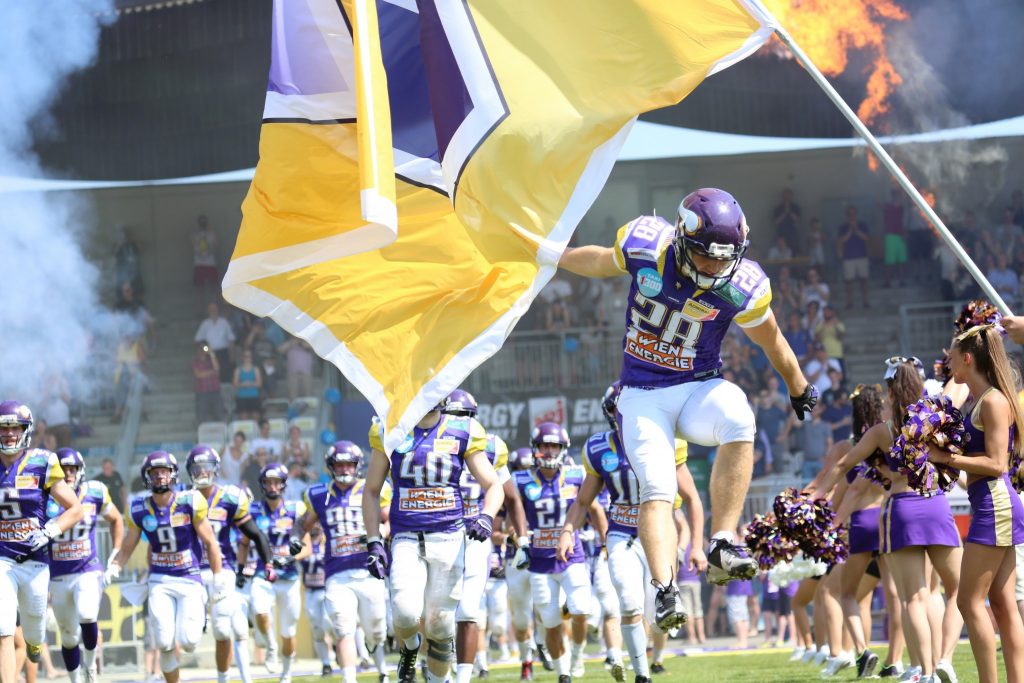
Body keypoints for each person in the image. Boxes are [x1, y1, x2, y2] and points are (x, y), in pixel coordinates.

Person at [558, 187, 816, 630]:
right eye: (707, 257)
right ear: (681, 237)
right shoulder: (646, 246)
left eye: (724, 258)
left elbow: (772, 339)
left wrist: (798, 386)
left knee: (739, 416)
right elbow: (600, 260)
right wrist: (555, 257)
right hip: (641, 392)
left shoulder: (742, 285)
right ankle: (664, 590)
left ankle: (721, 540)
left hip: (697, 386)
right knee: (658, 488)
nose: (716, 267)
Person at [806, 360, 963, 682]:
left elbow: (844, 464)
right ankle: (945, 659)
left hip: (902, 508)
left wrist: (817, 494)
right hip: (935, 504)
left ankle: (927, 672)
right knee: (956, 591)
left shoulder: (883, 430)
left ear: (890, 391)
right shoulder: (935, 419)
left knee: (913, 597)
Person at [558, 382, 705, 683]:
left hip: (660, 536)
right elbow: (583, 501)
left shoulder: (666, 440)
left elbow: (692, 499)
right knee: (628, 601)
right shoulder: (599, 448)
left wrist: (697, 546)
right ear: (610, 412)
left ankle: (656, 649)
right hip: (621, 534)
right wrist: (567, 530)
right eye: (618, 408)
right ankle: (642, 675)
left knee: (658, 614)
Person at [362, 404, 505, 683]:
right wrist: (373, 541)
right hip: (406, 536)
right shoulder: (389, 428)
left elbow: (494, 484)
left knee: (440, 626)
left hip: (449, 536)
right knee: (403, 614)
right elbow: (371, 490)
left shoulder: (463, 430)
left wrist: (487, 516)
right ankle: (411, 647)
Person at [929, 324, 1024, 683]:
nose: (948, 363)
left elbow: (997, 464)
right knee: (1000, 604)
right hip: (989, 502)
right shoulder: (977, 400)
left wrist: (945, 459)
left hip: (996, 506)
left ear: (967, 359)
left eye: (952, 357)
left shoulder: (995, 400)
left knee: (969, 602)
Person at [105, 451, 227, 683]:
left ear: (173, 474)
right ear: (146, 477)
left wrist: (218, 576)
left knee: (189, 642)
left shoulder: (189, 501)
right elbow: (128, 546)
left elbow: (210, 542)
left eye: (164, 471)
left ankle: (201, 612)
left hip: (190, 578)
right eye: (155, 472)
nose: (160, 476)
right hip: (160, 580)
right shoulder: (139, 507)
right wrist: (114, 567)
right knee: (164, 642)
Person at [441, 390, 530, 683]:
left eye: (464, 416)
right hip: (439, 532)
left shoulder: (489, 446)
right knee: (437, 612)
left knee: (469, 608)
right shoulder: (432, 442)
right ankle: (438, 668)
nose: (458, 421)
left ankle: (464, 675)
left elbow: (512, 499)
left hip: (475, 534)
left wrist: (523, 538)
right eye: (454, 415)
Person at [288, 441, 390, 683]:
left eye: (349, 464)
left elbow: (390, 519)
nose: (344, 469)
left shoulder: (372, 489)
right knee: (343, 628)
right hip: (336, 572)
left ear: (358, 466)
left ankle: (382, 669)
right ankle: (349, 678)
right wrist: (295, 538)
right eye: (339, 464)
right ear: (330, 467)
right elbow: (304, 523)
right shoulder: (319, 494)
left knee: (377, 631)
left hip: (369, 570)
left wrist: (380, 534)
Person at [0, 401, 84, 682]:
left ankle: (36, 644)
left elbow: (75, 508)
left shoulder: (42, 461)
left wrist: (51, 530)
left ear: (26, 431)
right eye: (3, 428)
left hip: (35, 562)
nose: (9, 434)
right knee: (4, 632)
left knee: (34, 632)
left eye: (15, 428)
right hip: (2, 560)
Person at [185, 446, 276, 683]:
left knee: (229, 629)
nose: (202, 472)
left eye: (206, 467)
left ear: (216, 469)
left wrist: (268, 562)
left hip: (222, 569)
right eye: (197, 468)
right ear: (189, 471)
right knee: (189, 638)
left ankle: (229, 679)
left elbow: (254, 533)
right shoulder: (182, 499)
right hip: (189, 570)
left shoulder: (229, 498)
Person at [518, 423, 600, 683]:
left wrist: (607, 541)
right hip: (540, 562)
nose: (550, 450)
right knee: (551, 622)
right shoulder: (522, 480)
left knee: (581, 609)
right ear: (536, 448)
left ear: (563, 449)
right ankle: (563, 672)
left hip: (571, 555)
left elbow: (594, 509)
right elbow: (511, 520)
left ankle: (577, 653)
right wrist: (517, 539)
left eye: (555, 446)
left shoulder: (576, 476)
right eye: (545, 445)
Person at [48, 448, 124, 683]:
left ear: (80, 471)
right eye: (64, 469)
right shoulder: (44, 495)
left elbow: (116, 519)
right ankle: (75, 679)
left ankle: (90, 665)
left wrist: (115, 553)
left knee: (88, 614)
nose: (68, 473)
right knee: (69, 637)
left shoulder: (95, 491)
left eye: (72, 469)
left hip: (88, 568)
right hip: (58, 574)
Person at [238, 463, 310, 683]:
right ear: (261, 485)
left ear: (283, 485)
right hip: (263, 573)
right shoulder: (253, 510)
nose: (272, 486)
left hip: (289, 577)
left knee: (289, 631)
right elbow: (243, 543)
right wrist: (241, 568)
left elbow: (307, 547)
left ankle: (286, 674)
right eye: (268, 482)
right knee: (259, 610)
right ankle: (270, 646)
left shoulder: (296, 509)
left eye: (276, 482)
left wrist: (290, 557)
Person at [836, 205, 871, 309]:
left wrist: (857, 230)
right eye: (850, 214)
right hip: (848, 257)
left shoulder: (862, 225)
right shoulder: (843, 227)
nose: (852, 216)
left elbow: (866, 238)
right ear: (847, 216)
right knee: (849, 282)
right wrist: (850, 231)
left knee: (863, 280)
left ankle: (865, 301)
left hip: (862, 256)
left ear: (856, 215)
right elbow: (842, 240)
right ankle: (849, 302)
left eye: (853, 214)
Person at [194, 302, 236, 384]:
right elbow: (198, 340)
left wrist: (232, 355)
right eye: (211, 309)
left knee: (225, 373)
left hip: (223, 352)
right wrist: (205, 349)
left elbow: (231, 339)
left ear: (218, 310)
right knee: (213, 374)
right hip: (210, 353)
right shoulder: (205, 324)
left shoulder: (224, 322)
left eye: (214, 309)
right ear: (208, 311)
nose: (213, 311)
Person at [192, 343, 223, 423]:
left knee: (219, 413)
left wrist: (212, 354)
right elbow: (199, 375)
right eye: (201, 348)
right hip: (202, 391)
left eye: (204, 348)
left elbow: (217, 368)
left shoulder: (212, 360)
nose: (203, 350)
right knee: (202, 414)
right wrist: (211, 372)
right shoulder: (196, 362)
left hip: (215, 390)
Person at [192, 215, 218, 303]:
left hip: (210, 263)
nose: (203, 224)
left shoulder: (211, 234)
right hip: (199, 263)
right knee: (199, 289)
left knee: (213, 288)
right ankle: (200, 311)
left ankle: (213, 307)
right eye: (201, 222)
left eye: (204, 222)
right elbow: (193, 245)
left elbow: (215, 247)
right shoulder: (194, 235)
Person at [233, 350, 263, 421]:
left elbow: (259, 384)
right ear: (243, 358)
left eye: (249, 357)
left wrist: (250, 383)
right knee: (243, 418)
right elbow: (234, 384)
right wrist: (242, 384)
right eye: (245, 357)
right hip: (242, 396)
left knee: (256, 417)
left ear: (251, 358)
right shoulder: (238, 369)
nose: (247, 358)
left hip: (254, 396)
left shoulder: (255, 369)